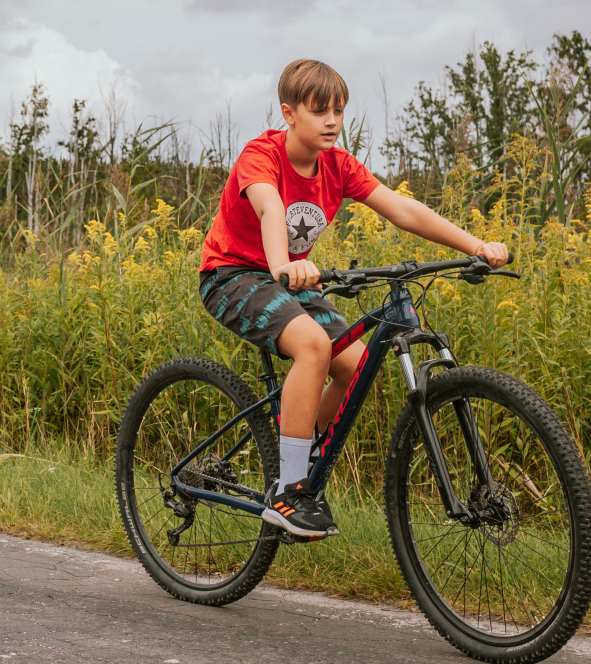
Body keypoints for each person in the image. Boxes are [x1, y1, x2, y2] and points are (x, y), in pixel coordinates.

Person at [198, 57, 508, 541]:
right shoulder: (262, 156)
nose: (332, 121)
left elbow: (402, 208)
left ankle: (299, 455)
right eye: (320, 110)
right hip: (233, 274)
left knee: (355, 363)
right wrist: (282, 262)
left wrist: (475, 246)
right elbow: (269, 205)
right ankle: (289, 489)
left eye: (339, 111)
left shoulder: (338, 166)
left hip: (293, 278)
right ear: (289, 113)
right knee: (313, 346)